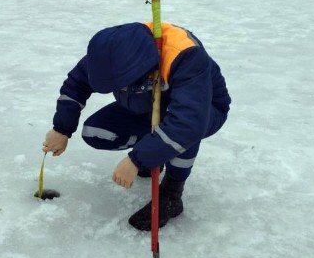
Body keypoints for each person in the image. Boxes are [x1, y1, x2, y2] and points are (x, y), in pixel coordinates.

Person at [42, 22, 231, 230]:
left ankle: (172, 192)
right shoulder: (109, 54)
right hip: (147, 105)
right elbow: (75, 84)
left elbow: (188, 122)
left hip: (203, 110)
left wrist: (137, 159)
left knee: (180, 133)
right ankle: (155, 152)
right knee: (96, 132)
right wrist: (62, 128)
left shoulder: (184, 56)